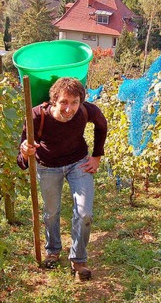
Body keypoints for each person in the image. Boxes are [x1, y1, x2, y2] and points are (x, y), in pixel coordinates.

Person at [17, 77, 108, 281]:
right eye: (64, 102)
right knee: (51, 212)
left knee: (84, 213)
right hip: (48, 166)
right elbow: (22, 156)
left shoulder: (86, 110)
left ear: (81, 101)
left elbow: (102, 125)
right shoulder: (36, 116)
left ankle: (78, 260)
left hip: (78, 163)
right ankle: (53, 251)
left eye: (74, 102)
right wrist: (25, 151)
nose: (69, 108)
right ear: (53, 101)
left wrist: (97, 156)